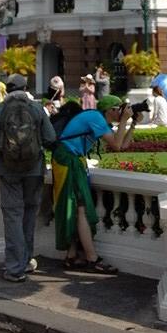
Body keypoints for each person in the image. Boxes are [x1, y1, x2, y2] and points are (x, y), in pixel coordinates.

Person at [0, 73, 56, 283]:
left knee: (13, 216)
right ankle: (25, 261)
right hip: (34, 169)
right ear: (26, 88)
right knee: (29, 215)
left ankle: (15, 267)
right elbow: (50, 138)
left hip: (8, 169)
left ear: (8, 89)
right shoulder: (36, 108)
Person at [51, 94, 132, 274]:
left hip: (71, 159)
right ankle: (92, 258)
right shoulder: (96, 117)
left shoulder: (98, 119)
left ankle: (72, 256)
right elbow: (117, 145)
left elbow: (123, 145)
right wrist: (125, 120)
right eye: (120, 109)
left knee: (74, 207)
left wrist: (131, 124)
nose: (122, 112)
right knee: (79, 208)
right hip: (68, 159)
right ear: (110, 110)